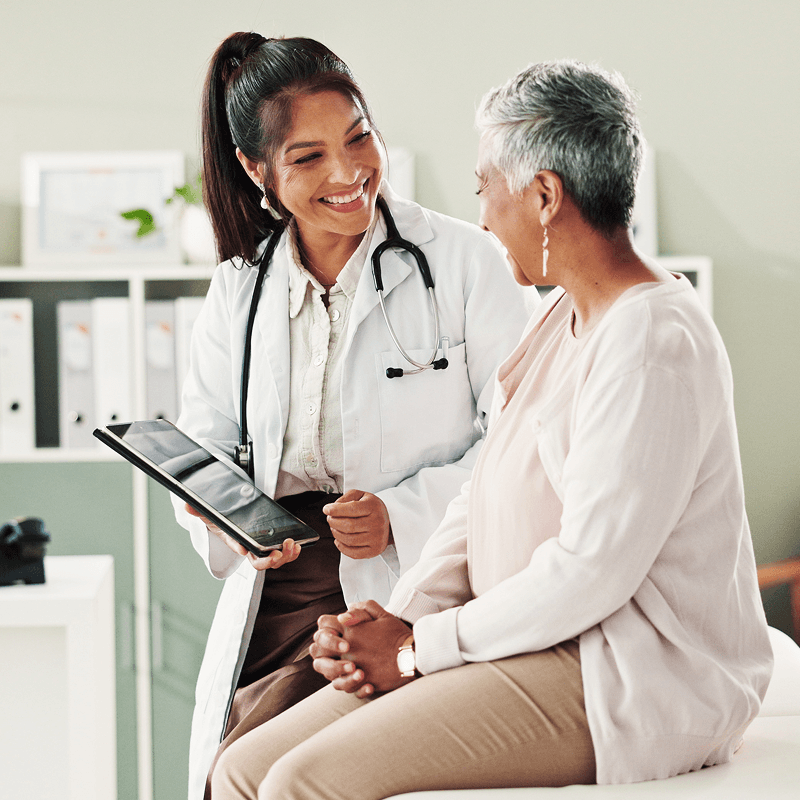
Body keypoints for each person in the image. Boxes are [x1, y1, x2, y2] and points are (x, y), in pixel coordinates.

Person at [210, 60, 774, 800]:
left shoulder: (651, 341)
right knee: (241, 768)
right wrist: (393, 619)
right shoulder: (560, 317)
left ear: (544, 196)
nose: (480, 217)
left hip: (619, 671)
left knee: (300, 782)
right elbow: (477, 503)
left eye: (485, 187)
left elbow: (591, 571)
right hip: (525, 641)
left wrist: (417, 649)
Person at [173, 32, 531, 800]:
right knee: (239, 768)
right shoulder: (240, 287)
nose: (348, 173)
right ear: (255, 169)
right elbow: (206, 442)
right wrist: (223, 513)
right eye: (308, 158)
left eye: (360, 138)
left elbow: (524, 439)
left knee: (286, 773)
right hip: (279, 594)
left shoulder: (466, 263)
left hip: (411, 579)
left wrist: (401, 513)